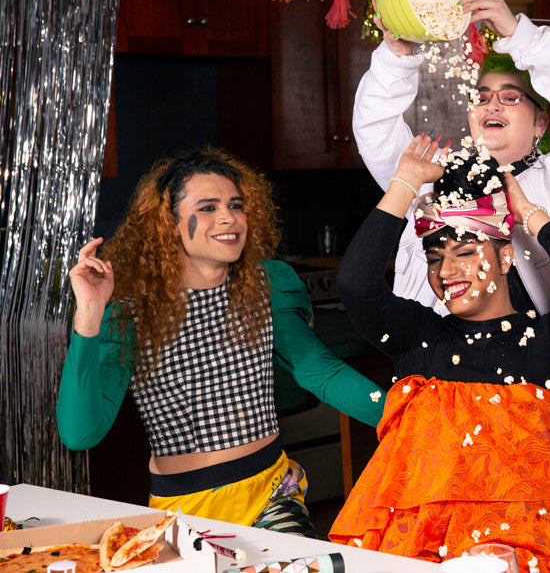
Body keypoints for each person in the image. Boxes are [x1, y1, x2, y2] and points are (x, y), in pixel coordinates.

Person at [353, 0, 550, 570]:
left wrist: (518, 35)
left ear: (540, 118)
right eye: (481, 96)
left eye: (511, 96)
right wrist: (398, 52)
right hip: (452, 409)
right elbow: (375, 132)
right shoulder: (433, 178)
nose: (491, 104)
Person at [57, 148, 386, 536]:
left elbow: (320, 371)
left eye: (236, 205)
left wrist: (408, 417)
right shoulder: (129, 313)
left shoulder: (268, 285)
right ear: (169, 223)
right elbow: (80, 434)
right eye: (208, 207)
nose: (229, 218)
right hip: (186, 510)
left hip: (272, 494)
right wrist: (89, 314)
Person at [328, 134, 550, 571]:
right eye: (435, 258)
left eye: (464, 252)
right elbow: (355, 283)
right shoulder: (421, 340)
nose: (447, 271)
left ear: (504, 258)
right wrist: (405, 183)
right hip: (423, 553)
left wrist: (528, 213)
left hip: (526, 557)